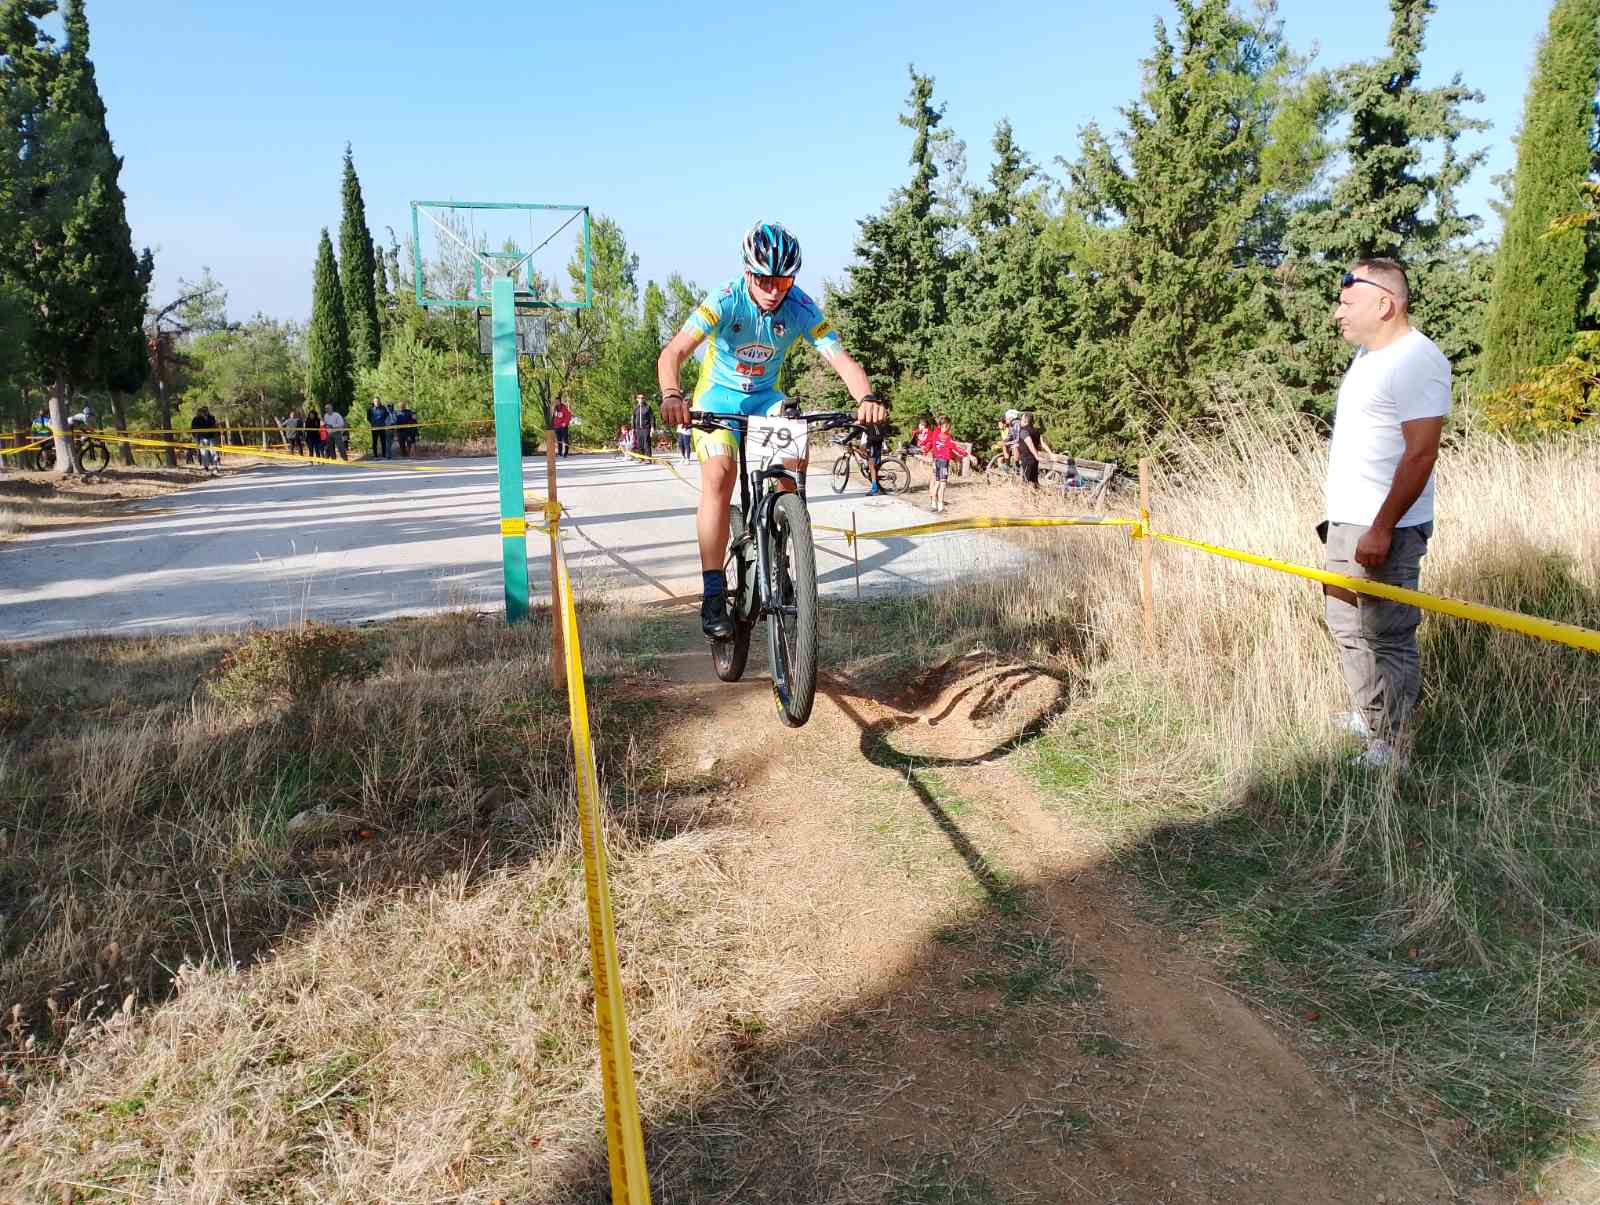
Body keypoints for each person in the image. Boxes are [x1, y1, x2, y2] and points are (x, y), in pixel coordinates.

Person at [658, 221, 886, 638]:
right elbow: (673, 352)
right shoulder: (724, 300)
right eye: (764, 279)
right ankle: (713, 593)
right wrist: (673, 394)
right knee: (720, 476)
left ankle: (783, 546)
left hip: (766, 399)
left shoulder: (800, 306)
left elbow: (842, 360)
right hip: (718, 399)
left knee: (792, 461)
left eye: (783, 280)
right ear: (748, 273)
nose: (773, 289)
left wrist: (866, 398)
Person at [1322, 257, 1450, 771]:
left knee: (1387, 634)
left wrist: (1381, 528)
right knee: (1345, 625)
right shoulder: (1367, 356)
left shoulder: (1417, 359)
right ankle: (1371, 717)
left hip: (1386, 528)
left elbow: (1421, 453)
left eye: (1346, 302)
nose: (1338, 313)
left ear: (1384, 304)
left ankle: (1394, 748)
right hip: (1345, 521)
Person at [928, 415, 958, 513]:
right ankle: (940, 506)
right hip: (943, 462)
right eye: (949, 425)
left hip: (936, 460)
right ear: (947, 425)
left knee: (936, 482)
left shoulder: (936, 434)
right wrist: (968, 455)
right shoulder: (946, 436)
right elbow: (955, 448)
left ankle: (933, 504)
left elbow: (934, 446)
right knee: (943, 484)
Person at [189, 403, 221, 472]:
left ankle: (215, 466)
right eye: (203, 411)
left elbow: (215, 426)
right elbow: (193, 428)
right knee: (204, 453)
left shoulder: (211, 417)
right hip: (202, 438)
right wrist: (195, 437)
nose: (205, 412)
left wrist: (217, 435)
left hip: (211, 437)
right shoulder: (196, 419)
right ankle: (206, 466)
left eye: (206, 411)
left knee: (214, 452)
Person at [631, 393, 655, 458]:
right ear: (637, 399)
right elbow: (633, 418)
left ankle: (648, 458)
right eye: (639, 398)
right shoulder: (635, 408)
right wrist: (633, 428)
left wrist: (652, 427)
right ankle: (641, 458)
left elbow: (652, 418)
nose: (641, 399)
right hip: (638, 429)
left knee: (647, 443)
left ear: (644, 399)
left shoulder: (648, 407)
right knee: (639, 444)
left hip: (646, 428)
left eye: (642, 398)